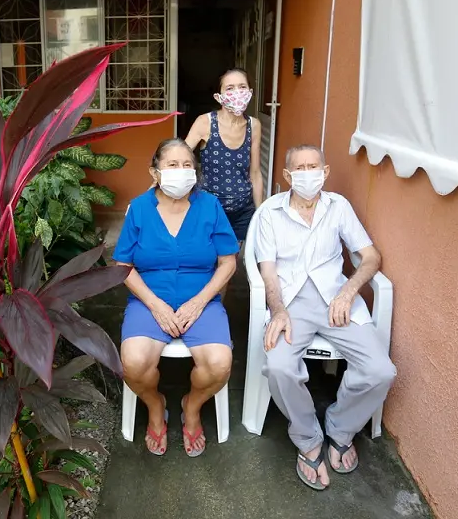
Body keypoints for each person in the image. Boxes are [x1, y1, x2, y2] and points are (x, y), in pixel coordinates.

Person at [255, 144, 396, 491]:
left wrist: (348, 292)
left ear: (325, 171)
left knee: (381, 371)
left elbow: (370, 257)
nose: (307, 173)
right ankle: (307, 438)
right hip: (291, 303)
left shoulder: (339, 207)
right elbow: (268, 273)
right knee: (279, 366)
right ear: (287, 176)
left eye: (313, 166)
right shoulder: (270, 213)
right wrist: (279, 310)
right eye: (299, 168)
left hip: (336, 301)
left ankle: (340, 428)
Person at [115, 138, 239, 457]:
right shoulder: (140, 209)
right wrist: (155, 305)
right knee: (133, 363)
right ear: (155, 172)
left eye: (187, 165)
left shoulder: (209, 206)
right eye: (172, 165)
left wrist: (199, 302)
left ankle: (192, 406)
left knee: (219, 365)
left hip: (202, 300)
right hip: (149, 300)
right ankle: (156, 406)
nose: (181, 171)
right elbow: (123, 266)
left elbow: (228, 262)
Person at [185, 68, 263, 243]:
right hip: (208, 207)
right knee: (207, 258)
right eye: (230, 88)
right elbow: (178, 158)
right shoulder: (205, 122)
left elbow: (256, 173)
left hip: (243, 209)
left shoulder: (254, 125)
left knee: (231, 259)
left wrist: (259, 213)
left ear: (250, 92)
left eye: (242, 87)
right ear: (218, 96)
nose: (237, 92)